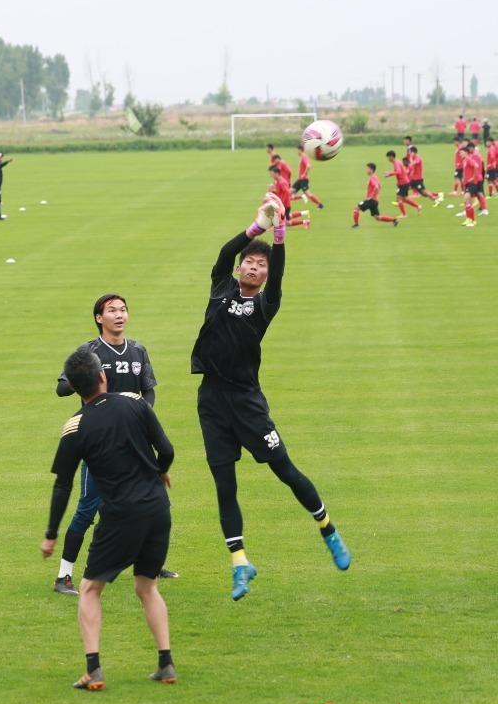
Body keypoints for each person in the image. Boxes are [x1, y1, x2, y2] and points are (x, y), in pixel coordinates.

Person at [191, 193, 351, 601]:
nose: (253, 267)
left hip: (247, 402)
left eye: (260, 265)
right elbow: (226, 251)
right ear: (240, 267)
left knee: (285, 470)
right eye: (250, 261)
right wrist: (255, 227)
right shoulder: (220, 289)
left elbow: (278, 271)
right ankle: (240, 564)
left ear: (263, 277)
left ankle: (328, 530)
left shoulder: (265, 304)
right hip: (211, 400)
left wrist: (279, 235)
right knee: (224, 485)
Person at [41, 345, 176, 689]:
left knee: (89, 589)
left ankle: (94, 670)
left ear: (73, 387)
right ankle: (166, 664)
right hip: (159, 509)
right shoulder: (135, 403)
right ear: (103, 376)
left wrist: (51, 533)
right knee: (147, 586)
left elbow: (63, 485)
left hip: (121, 514)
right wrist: (160, 471)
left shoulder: (76, 426)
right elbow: (168, 450)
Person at [52, 294, 178, 594]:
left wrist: (141, 415)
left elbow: (148, 392)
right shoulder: (89, 353)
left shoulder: (138, 351)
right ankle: (63, 576)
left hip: (135, 441)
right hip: (101, 445)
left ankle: (150, 564)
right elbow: (60, 389)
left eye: (123, 310)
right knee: (88, 507)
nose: (119, 315)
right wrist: (80, 378)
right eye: (112, 311)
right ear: (99, 318)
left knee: (152, 501)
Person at [352, 163, 398, 228]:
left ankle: (356, 225)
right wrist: (376, 195)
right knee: (377, 217)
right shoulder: (374, 177)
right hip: (374, 201)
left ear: (371, 170)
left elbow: (376, 187)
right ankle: (394, 220)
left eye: (367, 168)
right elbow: (380, 186)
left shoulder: (372, 178)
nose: (366, 170)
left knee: (356, 208)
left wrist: (372, 196)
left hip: (371, 200)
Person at [268, 163, 309, 229]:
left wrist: (282, 203)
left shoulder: (281, 182)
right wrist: (272, 191)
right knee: (286, 221)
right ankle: (305, 221)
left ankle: (305, 220)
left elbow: (287, 193)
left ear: (277, 173)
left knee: (281, 219)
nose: (272, 176)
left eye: (272, 174)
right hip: (285, 205)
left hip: (285, 205)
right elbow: (280, 193)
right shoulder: (278, 181)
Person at [385, 151, 421, 216]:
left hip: (403, 183)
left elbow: (398, 172)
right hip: (404, 182)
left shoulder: (396, 163)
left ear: (391, 157)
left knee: (399, 198)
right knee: (404, 199)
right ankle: (418, 206)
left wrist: (390, 173)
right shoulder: (396, 162)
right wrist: (389, 175)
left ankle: (404, 214)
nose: (388, 159)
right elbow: (399, 172)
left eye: (388, 157)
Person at [291, 143, 324, 209]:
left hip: (303, 180)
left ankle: (320, 204)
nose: (296, 151)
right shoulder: (302, 157)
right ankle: (286, 206)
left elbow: (309, 166)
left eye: (297, 150)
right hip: (299, 180)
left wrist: (304, 174)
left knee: (308, 194)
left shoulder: (304, 157)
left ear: (300, 150)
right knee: (290, 192)